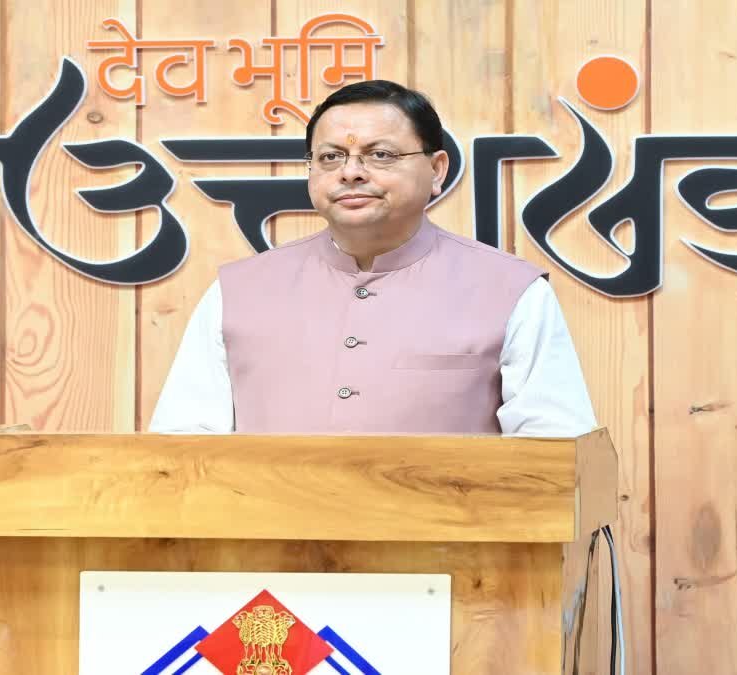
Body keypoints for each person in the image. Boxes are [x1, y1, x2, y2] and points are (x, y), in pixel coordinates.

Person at [148, 79, 596, 436]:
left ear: (436, 169)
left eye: (380, 155)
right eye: (330, 157)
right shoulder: (236, 293)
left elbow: (556, 455)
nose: (351, 172)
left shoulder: (511, 291)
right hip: (267, 527)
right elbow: (182, 449)